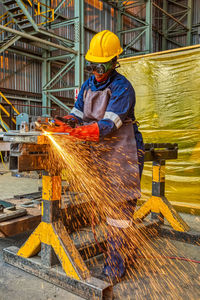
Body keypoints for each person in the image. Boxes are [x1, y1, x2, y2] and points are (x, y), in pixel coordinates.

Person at [54, 30, 144, 282]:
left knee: (119, 211)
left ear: (115, 62)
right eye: (92, 65)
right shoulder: (87, 85)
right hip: (102, 152)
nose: (97, 70)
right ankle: (126, 251)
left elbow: (108, 126)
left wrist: (78, 132)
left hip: (122, 152)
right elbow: (77, 113)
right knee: (107, 210)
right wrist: (65, 122)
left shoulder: (122, 87)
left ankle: (115, 267)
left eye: (102, 65)